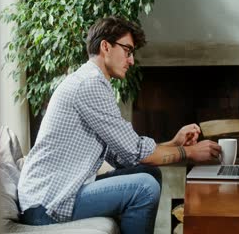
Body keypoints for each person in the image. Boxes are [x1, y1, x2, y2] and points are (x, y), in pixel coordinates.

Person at [17, 16, 222, 234]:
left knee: (148, 173)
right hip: (47, 205)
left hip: (57, 195)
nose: (131, 60)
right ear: (106, 46)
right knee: (144, 187)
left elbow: (125, 156)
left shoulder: (95, 82)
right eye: (128, 50)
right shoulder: (90, 84)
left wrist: (174, 142)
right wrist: (189, 152)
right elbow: (136, 151)